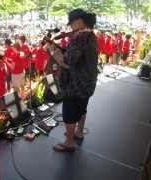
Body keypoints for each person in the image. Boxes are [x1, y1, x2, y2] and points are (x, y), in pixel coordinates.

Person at [54, 9, 98, 152]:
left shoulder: (80, 37)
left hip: (75, 85)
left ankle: (69, 142)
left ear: (78, 21)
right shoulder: (91, 35)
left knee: (69, 113)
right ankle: (78, 132)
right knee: (82, 108)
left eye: (71, 23)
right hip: (87, 82)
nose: (71, 27)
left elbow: (68, 61)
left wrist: (56, 55)